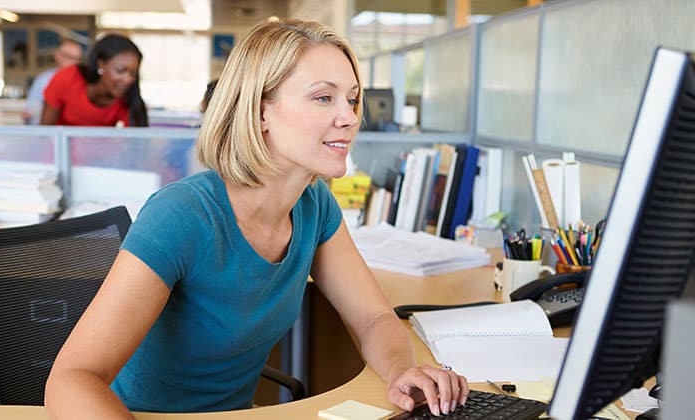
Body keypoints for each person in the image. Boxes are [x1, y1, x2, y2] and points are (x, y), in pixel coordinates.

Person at [45, 18, 468, 418]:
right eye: (324, 97)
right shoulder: (181, 215)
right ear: (260, 110)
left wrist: (400, 371)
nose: (349, 117)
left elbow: (373, 318)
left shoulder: (313, 205)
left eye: (352, 99)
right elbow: (71, 381)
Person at [40, 33, 148, 127]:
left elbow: (134, 144)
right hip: (60, 149)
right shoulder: (67, 79)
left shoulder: (127, 99)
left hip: (100, 150)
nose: (127, 79)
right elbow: (45, 133)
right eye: (120, 71)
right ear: (101, 65)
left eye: (133, 73)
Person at [23, 39, 83, 124]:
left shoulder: (85, 82)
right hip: (48, 133)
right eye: (70, 57)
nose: (75, 63)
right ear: (57, 55)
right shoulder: (43, 80)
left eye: (78, 59)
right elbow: (29, 112)